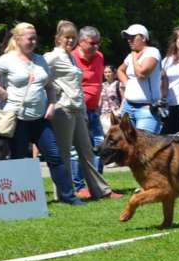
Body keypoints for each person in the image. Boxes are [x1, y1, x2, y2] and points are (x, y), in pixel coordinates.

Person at [0, 22, 82, 205]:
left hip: (40, 118)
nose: (34, 41)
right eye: (29, 38)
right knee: (20, 160)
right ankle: (21, 200)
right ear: (18, 39)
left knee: (55, 156)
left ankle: (69, 197)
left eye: (35, 38)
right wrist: (2, 92)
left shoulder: (40, 60)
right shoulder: (7, 59)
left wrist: (51, 105)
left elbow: (50, 86)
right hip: (18, 118)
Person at [45, 21, 122, 200]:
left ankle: (100, 190)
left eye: (73, 37)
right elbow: (38, 72)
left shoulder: (69, 57)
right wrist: (54, 91)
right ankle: (64, 193)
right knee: (64, 153)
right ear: (58, 39)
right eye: (67, 37)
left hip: (79, 109)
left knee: (87, 151)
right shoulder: (53, 56)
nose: (70, 41)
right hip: (63, 109)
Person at [70, 26, 106, 191]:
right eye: (92, 43)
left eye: (98, 43)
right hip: (78, 111)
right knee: (78, 151)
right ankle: (79, 186)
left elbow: (98, 82)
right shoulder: (71, 58)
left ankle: (97, 184)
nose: (96, 46)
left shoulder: (99, 57)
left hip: (94, 110)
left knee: (100, 145)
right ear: (81, 42)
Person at [117, 24, 163, 134]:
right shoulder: (131, 55)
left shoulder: (152, 52)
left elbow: (142, 74)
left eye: (132, 37)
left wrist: (134, 56)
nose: (129, 40)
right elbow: (120, 70)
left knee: (144, 148)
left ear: (143, 38)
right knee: (127, 146)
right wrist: (128, 84)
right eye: (127, 38)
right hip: (128, 107)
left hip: (146, 108)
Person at [99, 65, 123, 134]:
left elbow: (124, 99)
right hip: (103, 115)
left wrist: (119, 111)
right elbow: (100, 100)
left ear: (114, 73)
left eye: (109, 72)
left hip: (115, 115)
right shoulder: (102, 85)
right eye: (105, 72)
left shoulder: (119, 84)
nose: (107, 74)